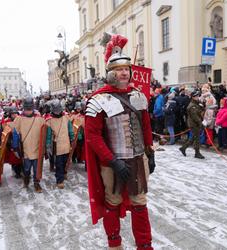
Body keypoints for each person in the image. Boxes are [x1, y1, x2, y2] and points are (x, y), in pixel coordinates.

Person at [85, 34, 155, 250]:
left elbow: (145, 127)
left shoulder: (137, 95)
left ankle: (144, 245)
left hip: (136, 158)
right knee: (113, 203)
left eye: (127, 69)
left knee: (140, 203)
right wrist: (112, 161)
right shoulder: (98, 100)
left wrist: (149, 153)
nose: (124, 73)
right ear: (111, 73)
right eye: (119, 70)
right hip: (111, 163)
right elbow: (93, 136)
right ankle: (114, 244)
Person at [13, 97, 46, 192]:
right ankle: (26, 178)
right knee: (26, 168)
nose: (28, 111)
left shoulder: (39, 119)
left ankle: (36, 183)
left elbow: (44, 131)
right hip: (26, 148)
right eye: (27, 109)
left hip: (37, 147)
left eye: (30, 109)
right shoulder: (19, 119)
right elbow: (15, 133)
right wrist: (15, 147)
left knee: (37, 168)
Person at [46, 99, 74, 189]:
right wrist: (48, 145)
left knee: (65, 161)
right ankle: (59, 180)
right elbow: (49, 135)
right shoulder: (49, 121)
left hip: (66, 144)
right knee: (58, 164)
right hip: (57, 146)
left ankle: (64, 173)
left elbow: (70, 129)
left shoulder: (66, 118)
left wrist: (72, 138)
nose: (58, 113)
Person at [179, 90, 205, 159]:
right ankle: (197, 153)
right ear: (193, 97)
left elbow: (200, 111)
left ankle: (183, 148)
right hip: (194, 124)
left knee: (194, 137)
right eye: (196, 96)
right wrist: (201, 123)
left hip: (196, 123)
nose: (198, 97)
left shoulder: (197, 104)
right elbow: (195, 117)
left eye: (198, 96)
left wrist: (202, 105)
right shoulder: (192, 106)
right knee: (197, 138)